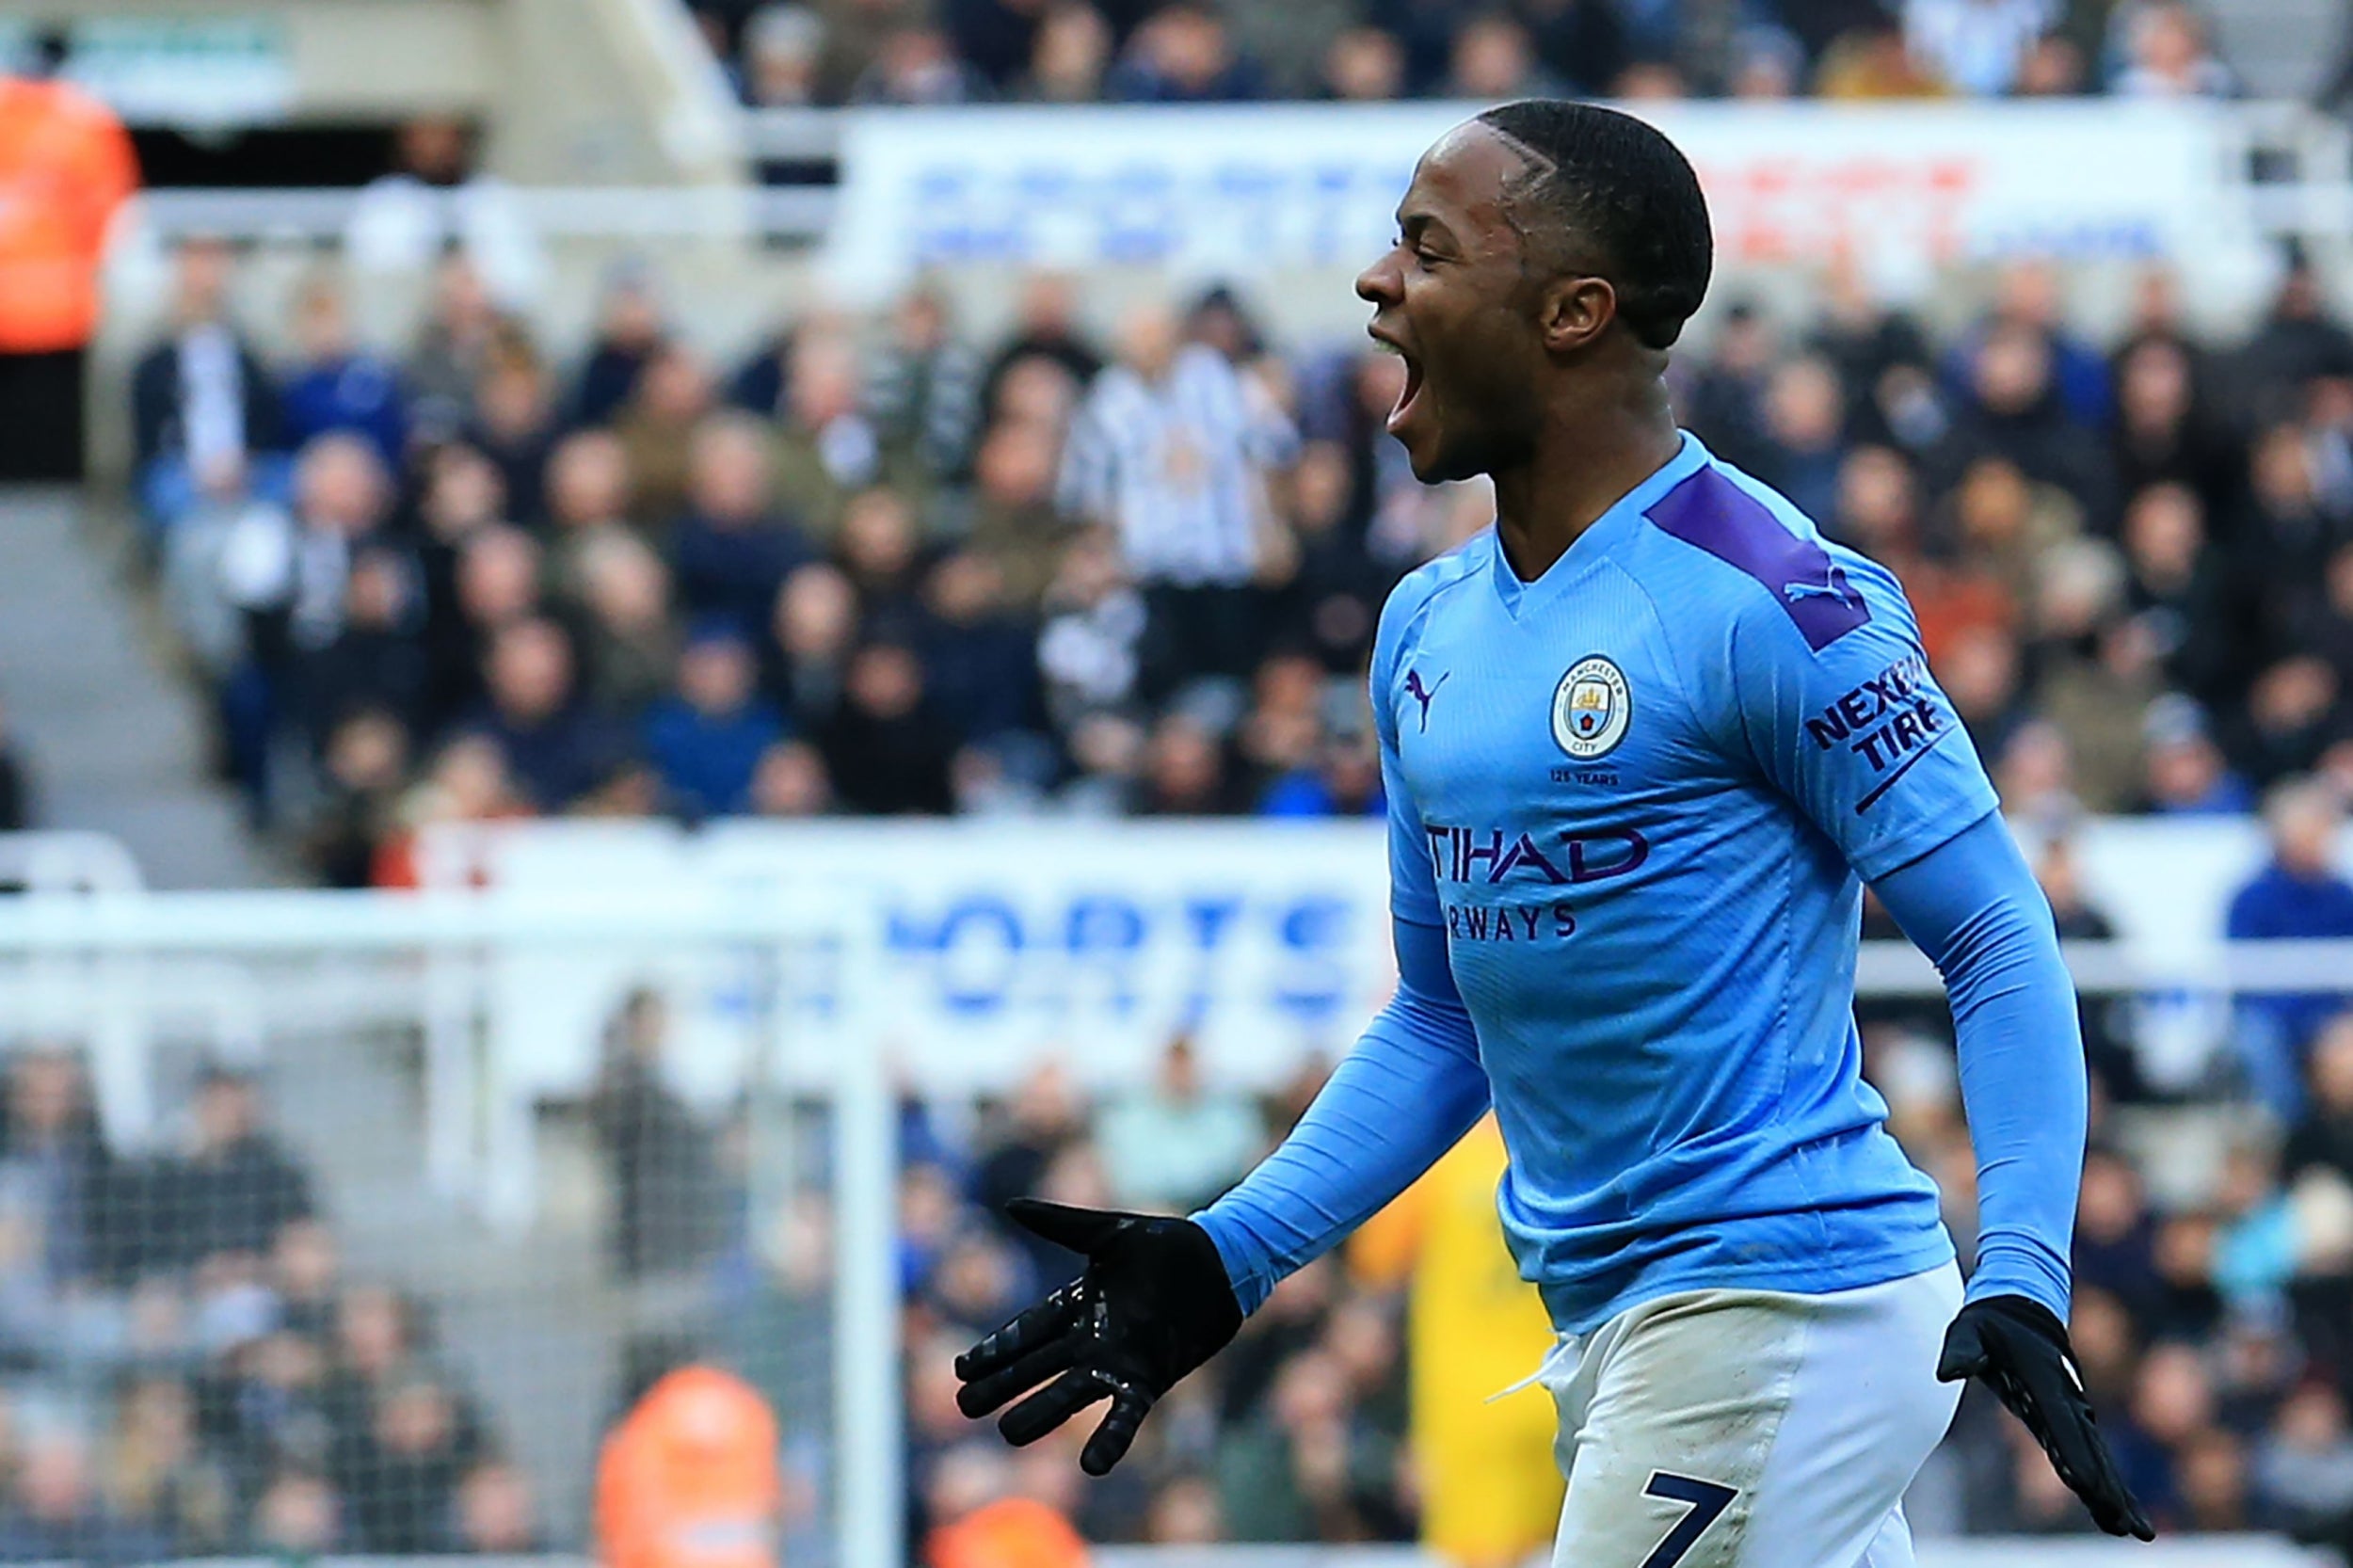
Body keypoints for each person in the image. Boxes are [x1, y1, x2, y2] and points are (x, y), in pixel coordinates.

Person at [955, 101, 2152, 1561]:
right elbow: (1445, 1018)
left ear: (1575, 312)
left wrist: (2023, 1265)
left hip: (1782, 1306)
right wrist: (1231, 1249)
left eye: (1429, 248)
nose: (1376, 284)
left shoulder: (1772, 597)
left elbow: (1993, 929)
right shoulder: (1425, 630)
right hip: (1619, 1329)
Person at [0, 30, 138, 483]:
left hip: (50, 307)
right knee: (51, 435)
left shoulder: (80, 123)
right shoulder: (87, 124)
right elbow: (112, 212)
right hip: (60, 307)